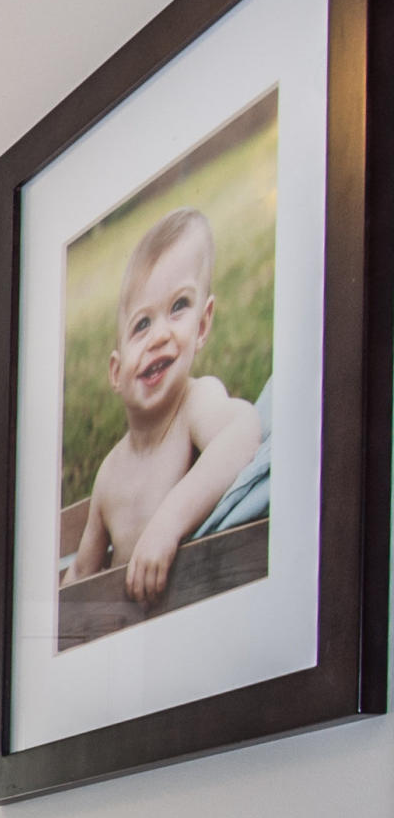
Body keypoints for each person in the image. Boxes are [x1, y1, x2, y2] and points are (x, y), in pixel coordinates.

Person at [69, 207, 264, 604]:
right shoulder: (109, 475)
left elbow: (243, 429)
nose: (159, 336)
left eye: (178, 307)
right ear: (116, 372)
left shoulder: (195, 404)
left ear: (202, 326)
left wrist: (167, 524)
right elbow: (81, 573)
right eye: (142, 325)